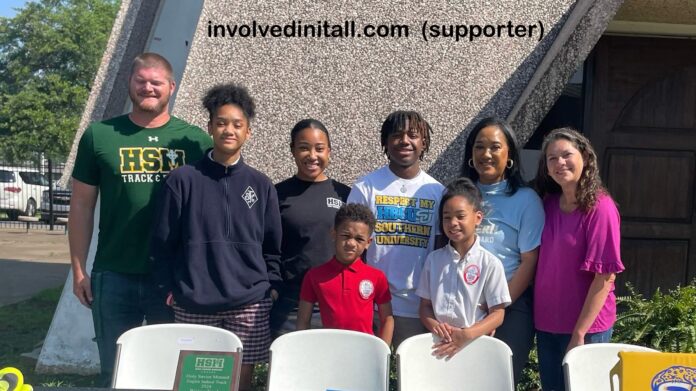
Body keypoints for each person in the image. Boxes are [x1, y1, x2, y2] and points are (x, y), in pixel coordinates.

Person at [69, 53, 212, 383]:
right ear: (130, 84)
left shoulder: (195, 142)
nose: (148, 87)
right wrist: (78, 269)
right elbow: (81, 207)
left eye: (156, 82)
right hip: (114, 273)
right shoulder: (100, 136)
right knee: (117, 372)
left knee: (170, 373)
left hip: (174, 278)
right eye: (141, 81)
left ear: (171, 87)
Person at [150, 83, 281, 391]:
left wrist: (270, 288)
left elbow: (274, 247)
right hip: (195, 302)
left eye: (237, 124)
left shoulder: (261, 185)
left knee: (241, 384)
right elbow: (162, 243)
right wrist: (169, 288)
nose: (228, 130)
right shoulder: (182, 180)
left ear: (248, 132)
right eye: (221, 123)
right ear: (210, 127)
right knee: (196, 384)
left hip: (248, 303)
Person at [533, 128, 625, 391]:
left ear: (584, 156)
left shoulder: (600, 208)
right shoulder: (547, 203)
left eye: (566, 155)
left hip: (587, 329)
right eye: (552, 158)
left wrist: (580, 333)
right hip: (547, 323)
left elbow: (605, 277)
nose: (560, 162)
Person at [347, 110, 445, 348]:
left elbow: (442, 253)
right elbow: (350, 251)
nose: (405, 141)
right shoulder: (365, 188)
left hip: (418, 309)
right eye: (397, 135)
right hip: (370, 305)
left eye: (413, 135)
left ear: (424, 142)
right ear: (385, 142)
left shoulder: (438, 192)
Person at [461, 117, 544, 382]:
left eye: (495, 147)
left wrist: (497, 307)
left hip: (510, 306)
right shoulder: (458, 195)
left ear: (509, 155)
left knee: (498, 381)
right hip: (460, 304)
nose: (486, 154)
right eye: (479, 146)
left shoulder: (525, 200)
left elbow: (529, 261)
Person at [270, 119, 350, 337]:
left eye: (319, 149)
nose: (312, 156)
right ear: (293, 150)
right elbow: (268, 248)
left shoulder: (344, 194)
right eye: (304, 148)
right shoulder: (276, 194)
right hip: (291, 306)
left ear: (329, 152)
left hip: (337, 303)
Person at [417, 178, 510, 358]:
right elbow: (425, 307)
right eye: (447, 217)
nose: (453, 223)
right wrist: (435, 325)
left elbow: (498, 314)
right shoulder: (433, 260)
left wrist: (467, 334)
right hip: (438, 346)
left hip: (474, 345)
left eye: (460, 216)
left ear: (477, 218)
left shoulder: (490, 263)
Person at [297, 203, 394, 345]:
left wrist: (383, 353)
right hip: (329, 353)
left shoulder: (377, 277)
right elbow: (303, 321)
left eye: (359, 239)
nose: (351, 243)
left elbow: (387, 319)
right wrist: (306, 350)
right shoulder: (314, 276)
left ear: (368, 242)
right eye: (345, 235)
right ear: (333, 234)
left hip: (365, 354)